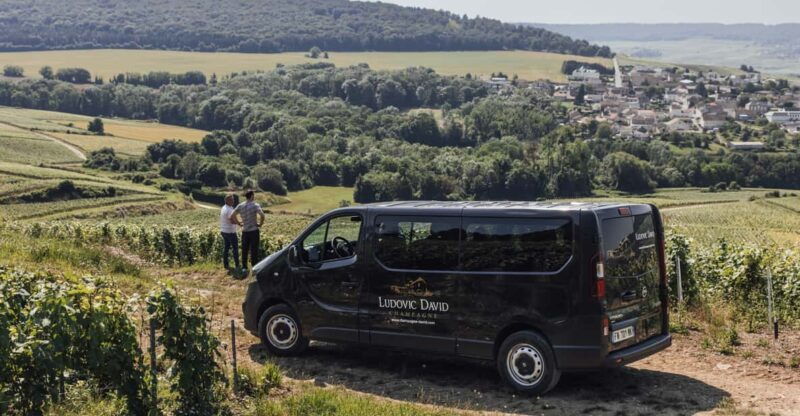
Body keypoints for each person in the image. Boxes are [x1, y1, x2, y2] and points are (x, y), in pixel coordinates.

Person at [230, 190, 265, 273]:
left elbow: (232, 215)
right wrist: (260, 224)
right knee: (254, 250)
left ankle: (244, 267)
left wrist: (239, 223)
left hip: (245, 231)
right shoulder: (255, 205)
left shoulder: (240, 205)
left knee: (244, 249)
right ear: (252, 196)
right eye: (253, 195)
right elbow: (262, 215)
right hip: (254, 231)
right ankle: (254, 267)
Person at [220, 194, 240, 272]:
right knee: (235, 249)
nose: (233, 201)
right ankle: (237, 265)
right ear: (227, 201)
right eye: (231, 200)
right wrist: (239, 223)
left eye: (233, 199)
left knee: (226, 248)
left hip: (224, 231)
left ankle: (225, 264)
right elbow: (232, 221)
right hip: (230, 232)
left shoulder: (224, 207)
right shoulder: (229, 210)